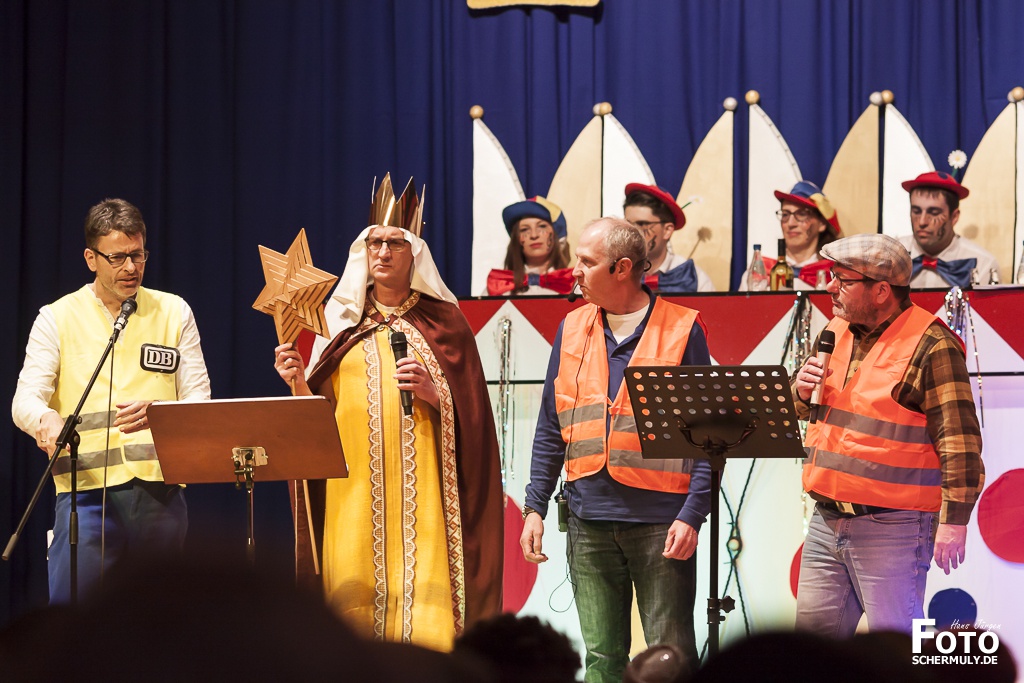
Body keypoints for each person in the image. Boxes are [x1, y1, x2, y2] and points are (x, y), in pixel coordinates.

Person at [274, 176, 503, 652]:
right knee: (353, 596)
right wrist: (296, 380)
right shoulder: (338, 323)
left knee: (427, 600)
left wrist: (437, 395)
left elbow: (476, 417)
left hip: (428, 492)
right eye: (374, 242)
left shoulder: (445, 322)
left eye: (395, 243)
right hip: (352, 488)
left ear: (414, 253)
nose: (382, 252)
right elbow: (316, 415)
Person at [520, 217, 712, 682]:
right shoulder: (571, 327)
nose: (575, 271)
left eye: (587, 262)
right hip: (587, 520)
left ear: (622, 268)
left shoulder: (682, 329)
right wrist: (534, 507)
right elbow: (551, 425)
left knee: (671, 657)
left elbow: (709, 437)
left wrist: (692, 514)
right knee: (601, 658)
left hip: (661, 522)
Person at [11, 198, 211, 604]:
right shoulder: (56, 317)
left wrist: (162, 413)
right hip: (85, 496)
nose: (131, 268)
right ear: (91, 258)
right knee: (75, 624)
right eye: (117, 257)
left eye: (138, 255)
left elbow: (199, 401)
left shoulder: (174, 311)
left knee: (162, 619)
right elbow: (25, 399)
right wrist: (45, 421)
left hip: (160, 494)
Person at [792, 233, 984, 637]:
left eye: (843, 280)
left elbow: (959, 441)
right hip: (826, 521)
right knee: (808, 657)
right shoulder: (835, 330)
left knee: (895, 655)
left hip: (894, 529)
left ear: (881, 291)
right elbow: (806, 406)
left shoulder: (932, 344)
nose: (830, 288)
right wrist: (799, 391)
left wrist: (954, 521)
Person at [898, 171, 999, 288]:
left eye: (934, 213)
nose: (922, 222)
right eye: (916, 211)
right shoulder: (891, 256)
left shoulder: (983, 264)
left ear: (954, 217)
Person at [739, 181, 842, 290]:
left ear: (822, 223)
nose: (791, 223)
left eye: (802, 214)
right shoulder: (759, 274)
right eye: (785, 214)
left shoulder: (836, 275)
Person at [623, 183, 714, 293]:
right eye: (628, 225)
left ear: (667, 230)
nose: (632, 232)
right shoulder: (615, 273)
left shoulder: (694, 278)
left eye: (642, 224)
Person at [486, 196, 574, 296]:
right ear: (516, 239)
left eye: (542, 226)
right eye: (524, 230)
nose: (534, 235)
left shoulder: (576, 286)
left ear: (556, 235)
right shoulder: (498, 288)